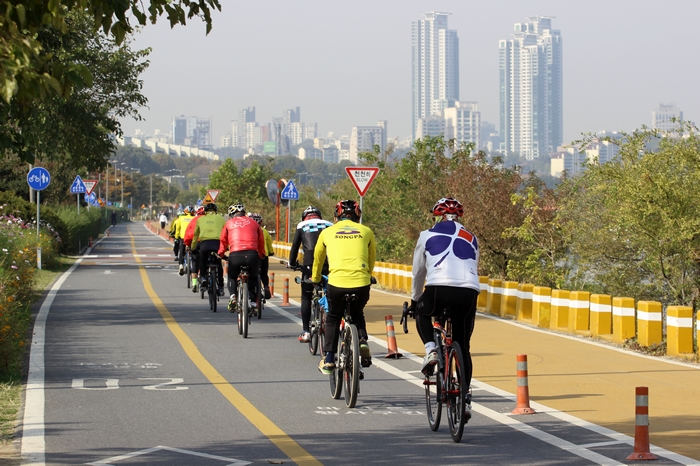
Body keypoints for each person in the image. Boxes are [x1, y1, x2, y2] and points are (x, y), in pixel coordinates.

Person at [408, 197, 480, 421]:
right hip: (468, 292)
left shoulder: (426, 235)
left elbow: (418, 271)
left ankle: (431, 349)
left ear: (437, 216)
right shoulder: (472, 238)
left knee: (422, 311)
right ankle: (465, 399)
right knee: (463, 345)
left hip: (438, 288)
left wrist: (415, 299)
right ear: (459, 217)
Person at [311, 199, 376, 375]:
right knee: (357, 312)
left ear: (337, 216)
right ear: (357, 216)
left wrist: (316, 279)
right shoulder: (367, 231)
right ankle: (362, 340)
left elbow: (318, 259)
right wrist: (368, 275)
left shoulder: (327, 232)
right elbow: (371, 259)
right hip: (361, 283)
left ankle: (330, 359)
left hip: (337, 284)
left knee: (333, 317)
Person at [289, 206, 332, 343]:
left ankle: (306, 332)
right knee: (331, 293)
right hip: (328, 261)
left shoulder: (302, 225)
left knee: (306, 297)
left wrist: (292, 263)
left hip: (310, 263)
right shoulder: (329, 224)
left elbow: (295, 247)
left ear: (304, 217)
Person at [219, 203, 266, 313]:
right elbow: (261, 241)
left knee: (231, 276)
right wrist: (261, 254)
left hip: (235, 255)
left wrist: (221, 254)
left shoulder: (228, 223)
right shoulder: (254, 223)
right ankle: (254, 303)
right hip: (252, 255)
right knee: (254, 278)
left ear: (232, 214)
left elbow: (223, 241)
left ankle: (233, 297)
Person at [191, 203, 226, 295]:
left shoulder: (200, 219)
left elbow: (195, 236)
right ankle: (221, 287)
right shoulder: (221, 219)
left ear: (205, 211)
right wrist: (226, 247)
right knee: (218, 264)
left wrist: (193, 247)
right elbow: (226, 234)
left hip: (204, 244)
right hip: (217, 244)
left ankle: (203, 278)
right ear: (216, 211)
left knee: (202, 261)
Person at [248, 213, 274, 300]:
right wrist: (271, 252)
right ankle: (266, 286)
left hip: (252, 255)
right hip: (264, 255)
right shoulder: (265, 231)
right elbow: (269, 244)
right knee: (264, 274)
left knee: (251, 274)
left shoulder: (249, 230)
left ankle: (250, 291)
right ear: (261, 222)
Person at [183, 205, 206, 286]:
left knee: (195, 261)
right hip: (208, 243)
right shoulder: (210, 220)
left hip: (196, 243)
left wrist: (187, 244)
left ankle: (194, 284)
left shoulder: (194, 220)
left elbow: (188, 234)